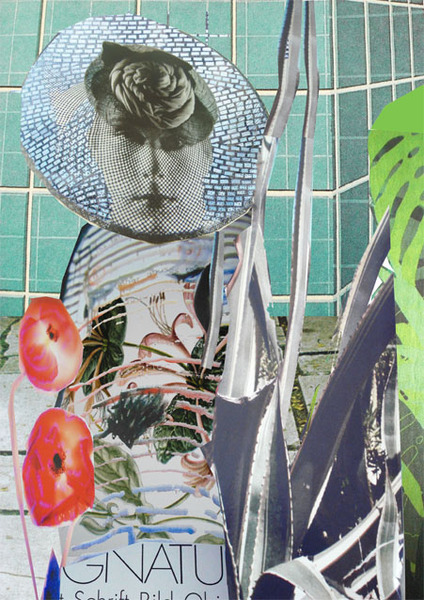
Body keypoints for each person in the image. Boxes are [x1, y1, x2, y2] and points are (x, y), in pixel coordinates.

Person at [85, 42, 218, 240]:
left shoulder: (231, 246)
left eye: (175, 143)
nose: (152, 168)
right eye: (129, 138)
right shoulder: (88, 249)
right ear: (95, 144)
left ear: (206, 154)